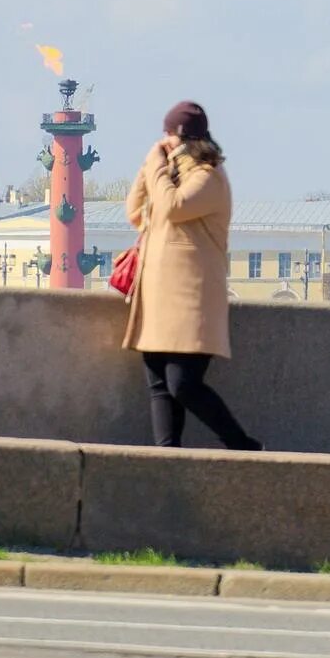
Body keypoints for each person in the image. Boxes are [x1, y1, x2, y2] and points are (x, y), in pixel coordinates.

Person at [121, 100, 261, 451]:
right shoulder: (170, 176)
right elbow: (135, 212)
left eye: (168, 136)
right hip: (156, 296)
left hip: (190, 299)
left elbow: (174, 206)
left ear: (181, 138)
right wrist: (148, 168)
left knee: (183, 383)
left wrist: (158, 167)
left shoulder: (208, 177)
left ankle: (242, 444)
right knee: (159, 384)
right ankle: (166, 454)